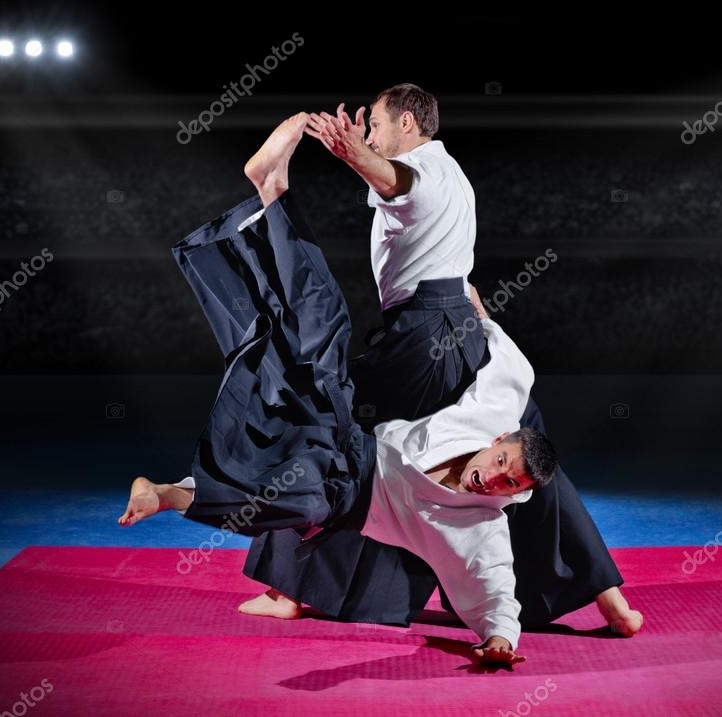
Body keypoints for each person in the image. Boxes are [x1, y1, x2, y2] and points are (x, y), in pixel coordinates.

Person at [119, 112, 555, 667]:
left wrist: (499, 641)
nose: (491, 478)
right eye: (500, 461)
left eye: (505, 482)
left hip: (349, 499)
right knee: (321, 330)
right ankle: (272, 192)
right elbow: (513, 369)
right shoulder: (492, 410)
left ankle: (167, 494)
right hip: (355, 442)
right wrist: (481, 317)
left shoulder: (479, 525)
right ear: (499, 439)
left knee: (294, 499)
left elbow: (495, 593)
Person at [238, 84, 643, 636]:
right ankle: (608, 597)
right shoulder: (452, 172)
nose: (371, 134)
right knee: (523, 447)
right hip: (457, 323)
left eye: (376, 125)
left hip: (423, 336)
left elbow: (399, 183)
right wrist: (477, 315)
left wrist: (355, 155)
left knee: (338, 438)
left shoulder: (421, 173)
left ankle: (294, 591)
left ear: (407, 123)